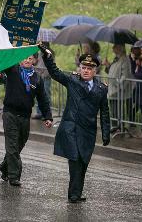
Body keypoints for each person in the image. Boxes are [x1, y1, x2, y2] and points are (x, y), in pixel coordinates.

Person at [40, 46, 110, 203]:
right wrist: (47, 56)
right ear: (80, 68)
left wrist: (106, 133)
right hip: (71, 128)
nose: (85, 71)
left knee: (84, 161)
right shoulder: (72, 80)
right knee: (75, 159)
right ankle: (73, 194)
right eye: (83, 67)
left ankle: (76, 193)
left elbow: (104, 111)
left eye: (89, 68)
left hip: (88, 131)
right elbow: (55, 73)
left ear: (95, 71)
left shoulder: (101, 88)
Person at [0, 54, 53, 186]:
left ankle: (4, 167)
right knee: (12, 145)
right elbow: (3, 61)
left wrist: (48, 116)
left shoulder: (37, 78)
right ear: (20, 58)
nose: (27, 60)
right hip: (10, 113)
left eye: (30, 58)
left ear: (34, 60)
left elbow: (43, 99)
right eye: (24, 57)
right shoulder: (13, 70)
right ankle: (14, 176)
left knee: (19, 145)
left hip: (25, 116)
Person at [103, 44, 133, 133]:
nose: (112, 48)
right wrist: (108, 65)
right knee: (113, 110)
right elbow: (113, 72)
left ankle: (119, 128)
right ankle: (115, 127)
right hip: (112, 90)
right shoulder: (117, 59)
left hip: (119, 91)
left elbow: (125, 76)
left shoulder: (125, 60)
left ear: (120, 48)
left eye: (115, 46)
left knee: (118, 110)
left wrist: (118, 84)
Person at [33, 42, 53, 120]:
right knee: (38, 94)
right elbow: (37, 63)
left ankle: (46, 114)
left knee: (46, 94)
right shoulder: (39, 52)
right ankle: (39, 112)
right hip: (39, 75)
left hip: (46, 76)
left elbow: (49, 64)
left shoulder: (50, 52)